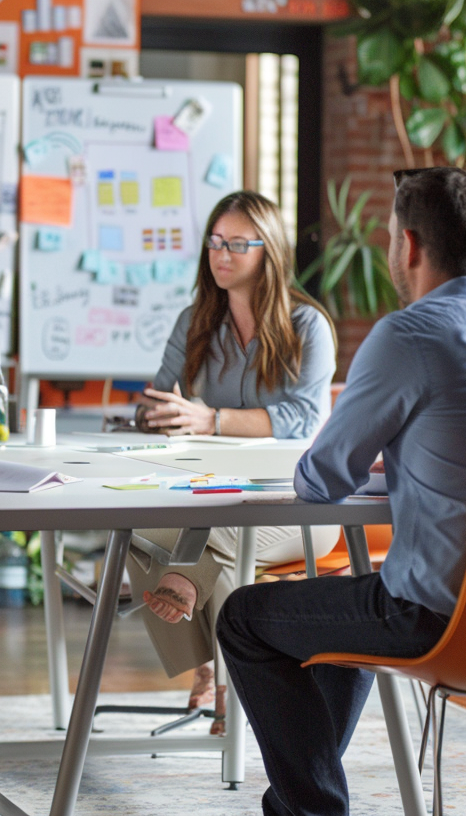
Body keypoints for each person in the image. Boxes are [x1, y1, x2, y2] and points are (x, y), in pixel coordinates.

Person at [215, 167, 466, 816]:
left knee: (244, 618)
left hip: (434, 619)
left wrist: (374, 449)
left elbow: (320, 479)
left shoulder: (407, 336)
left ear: (408, 246)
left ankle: (311, 807)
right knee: (335, 622)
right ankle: (307, 801)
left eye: (386, 239)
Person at [127, 190, 338, 734]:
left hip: (298, 507)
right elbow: (159, 393)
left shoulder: (307, 326)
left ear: (269, 251)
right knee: (135, 528)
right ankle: (207, 667)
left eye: (237, 244)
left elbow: (302, 419)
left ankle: (224, 679)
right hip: (207, 495)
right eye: (216, 242)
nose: (221, 254)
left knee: (219, 532)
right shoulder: (195, 320)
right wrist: (155, 412)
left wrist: (209, 419)